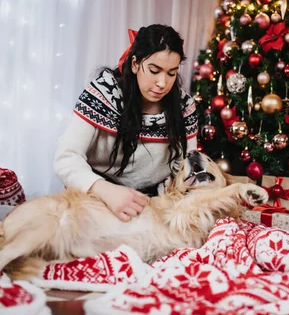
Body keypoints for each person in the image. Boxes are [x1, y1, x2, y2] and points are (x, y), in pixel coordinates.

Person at [54, 24, 198, 222]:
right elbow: (66, 159)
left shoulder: (184, 106)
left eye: (171, 73)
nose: (162, 83)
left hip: (155, 205)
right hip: (95, 198)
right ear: (135, 64)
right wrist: (106, 191)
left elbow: (185, 168)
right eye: (154, 70)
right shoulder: (102, 94)